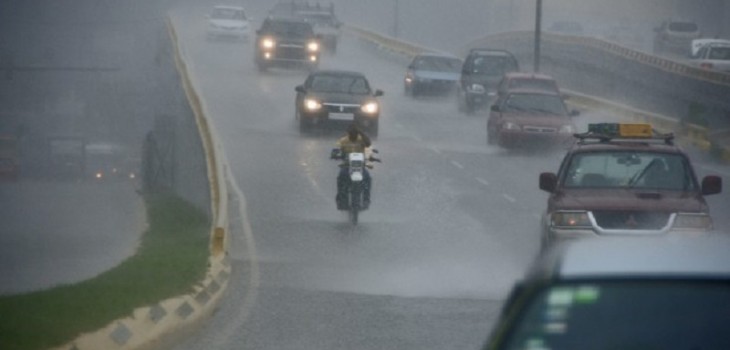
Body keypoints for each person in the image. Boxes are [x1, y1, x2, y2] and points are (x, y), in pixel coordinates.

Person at [334, 124, 372, 210]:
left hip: (360, 167)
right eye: (351, 133)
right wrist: (335, 154)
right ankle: (341, 200)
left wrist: (362, 133)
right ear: (348, 133)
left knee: (367, 178)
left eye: (355, 133)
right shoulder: (343, 141)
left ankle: (366, 199)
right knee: (341, 177)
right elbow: (336, 149)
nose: (353, 135)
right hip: (347, 166)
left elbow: (368, 144)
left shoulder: (361, 140)